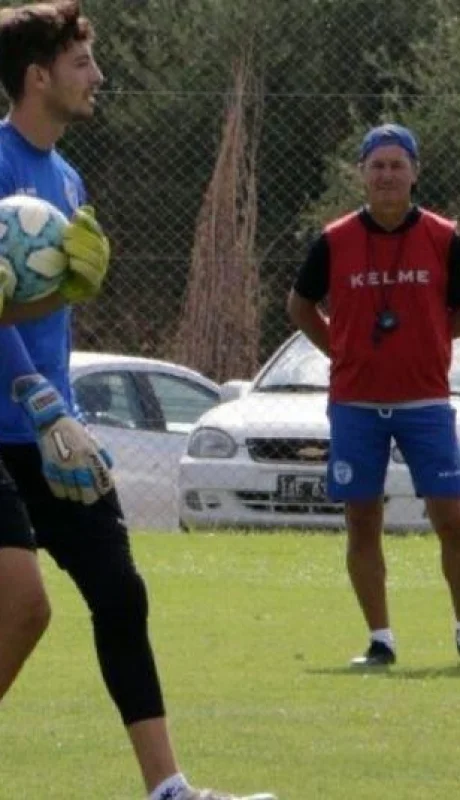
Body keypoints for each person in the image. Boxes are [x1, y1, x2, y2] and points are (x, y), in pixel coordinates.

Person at [0, 4, 277, 800]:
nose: (99, 76)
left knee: (121, 593)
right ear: (38, 76)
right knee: (25, 606)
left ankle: (169, 790)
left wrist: (64, 413)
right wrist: (38, 398)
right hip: (13, 426)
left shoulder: (68, 178)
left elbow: (39, 313)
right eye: (83, 62)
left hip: (53, 432)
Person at [287, 122, 460, 668]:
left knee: (452, 517)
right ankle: (380, 639)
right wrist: (339, 348)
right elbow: (299, 305)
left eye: (397, 165)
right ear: (362, 174)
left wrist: (430, 340)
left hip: (426, 403)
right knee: (362, 518)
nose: (387, 175)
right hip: (356, 403)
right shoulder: (335, 240)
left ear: (414, 173)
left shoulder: (444, 238)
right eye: (377, 165)